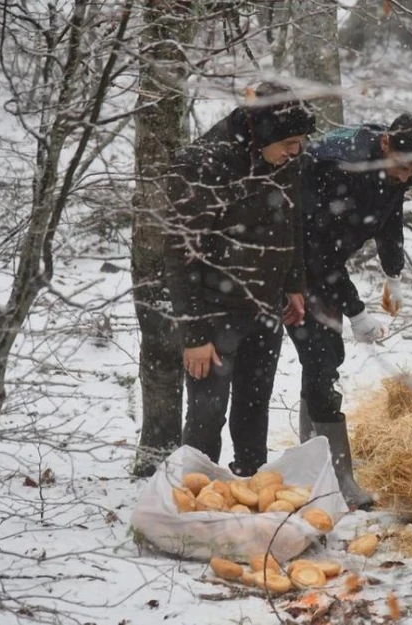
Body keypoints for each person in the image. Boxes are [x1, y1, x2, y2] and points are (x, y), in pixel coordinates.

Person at [165, 82, 316, 477]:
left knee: (254, 406)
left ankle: (250, 483)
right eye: (289, 142)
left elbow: (292, 219)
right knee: (206, 416)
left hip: (266, 303)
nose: (296, 151)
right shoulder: (203, 164)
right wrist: (194, 335)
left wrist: (294, 282)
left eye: (300, 142)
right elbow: (180, 256)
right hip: (214, 308)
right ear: (262, 133)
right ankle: (194, 496)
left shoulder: (285, 158)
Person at [289, 113, 412, 509]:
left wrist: (394, 273)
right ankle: (337, 479)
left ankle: (314, 460)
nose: (407, 178)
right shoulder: (336, 165)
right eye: (404, 168)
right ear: (387, 144)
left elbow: (390, 217)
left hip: (325, 263)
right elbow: (318, 251)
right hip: (291, 261)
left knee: (324, 359)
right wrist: (356, 310)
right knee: (321, 357)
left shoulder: (394, 169)